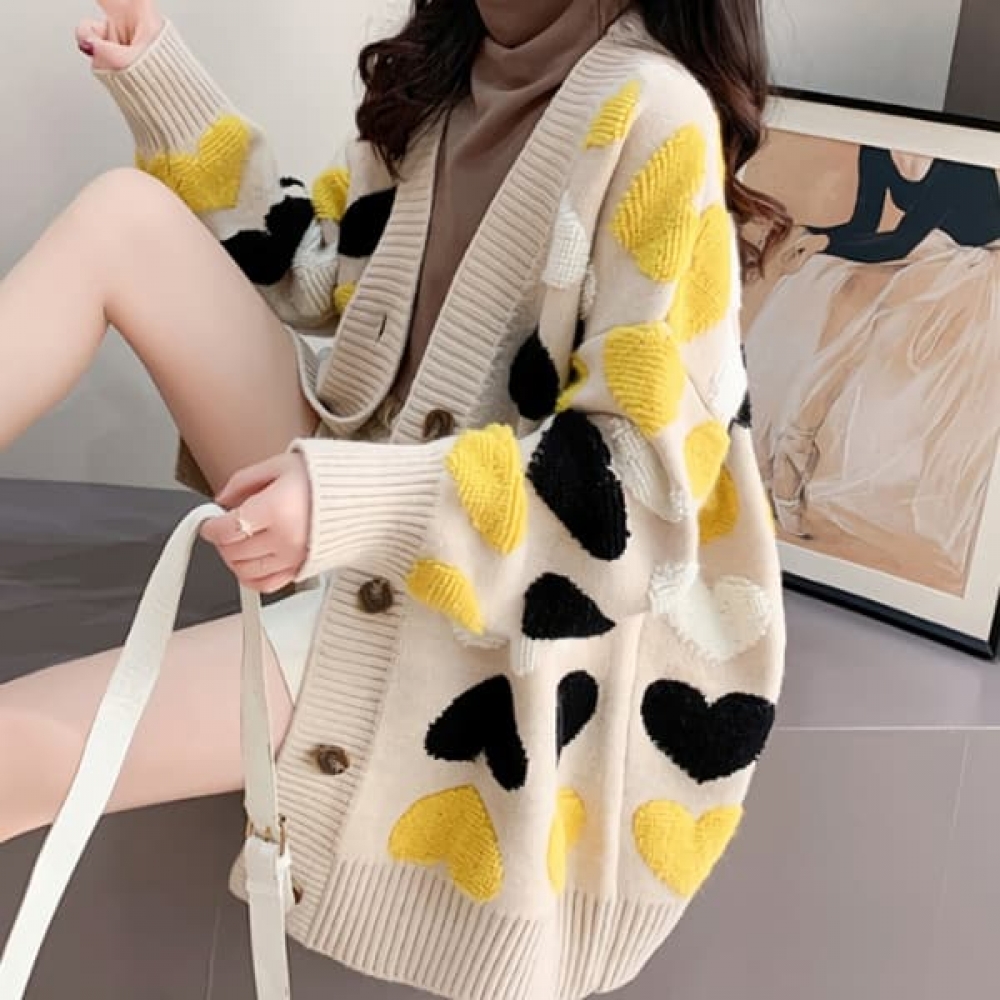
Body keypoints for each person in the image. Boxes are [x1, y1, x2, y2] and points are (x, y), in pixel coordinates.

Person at [0, 2, 788, 997]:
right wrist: (161, 75)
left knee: (15, 749)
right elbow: (320, 273)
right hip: (364, 499)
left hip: (493, 606)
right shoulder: (446, 80)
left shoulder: (653, 112)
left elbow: (628, 497)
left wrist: (350, 501)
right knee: (122, 217)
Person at [746, 143, 1000, 589]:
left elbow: (901, 240)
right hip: (929, 250)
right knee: (820, 280)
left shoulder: (957, 161)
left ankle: (796, 444)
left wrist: (823, 242)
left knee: (873, 307)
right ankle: (790, 444)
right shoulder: (879, 150)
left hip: (979, 262)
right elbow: (865, 225)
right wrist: (811, 235)